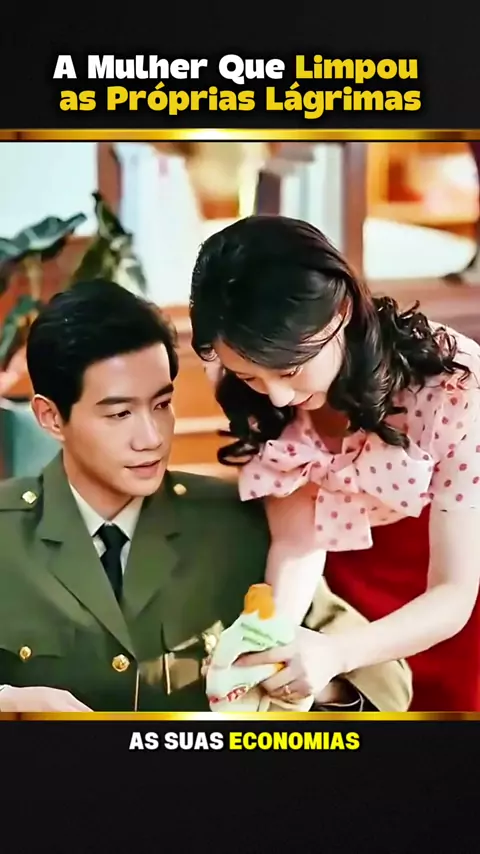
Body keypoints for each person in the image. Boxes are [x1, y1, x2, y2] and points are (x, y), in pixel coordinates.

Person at [0, 279, 411, 713]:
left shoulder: (240, 526)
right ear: (51, 417)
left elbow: (386, 682)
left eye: (162, 405)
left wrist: (318, 686)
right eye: (120, 413)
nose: (151, 438)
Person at [189, 215, 480, 712]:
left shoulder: (453, 387)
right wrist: (270, 641)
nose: (277, 396)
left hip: (447, 575)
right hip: (341, 580)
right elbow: (297, 541)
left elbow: (454, 592)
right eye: (251, 377)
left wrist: (337, 653)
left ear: (341, 312)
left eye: (290, 369)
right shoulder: (244, 378)